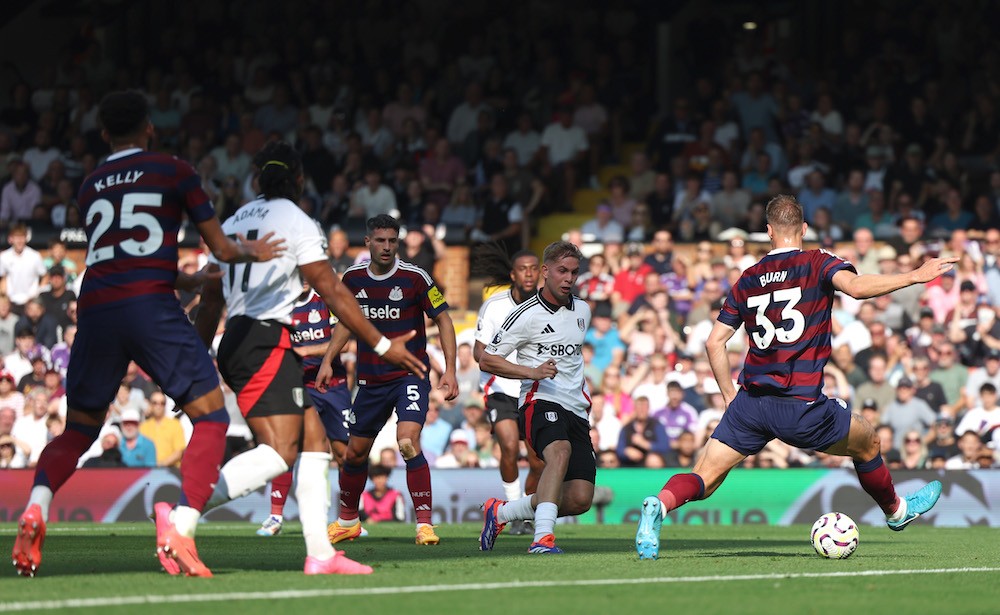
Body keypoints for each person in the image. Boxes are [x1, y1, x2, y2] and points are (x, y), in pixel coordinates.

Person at [11, 90, 284, 579]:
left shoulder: (90, 184)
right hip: (149, 307)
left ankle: (36, 507)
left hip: (95, 306)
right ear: (150, 127)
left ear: (102, 134)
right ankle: (180, 529)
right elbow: (219, 245)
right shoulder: (174, 170)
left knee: (77, 430)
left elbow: (121, 255)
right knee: (211, 418)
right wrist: (251, 252)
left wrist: (189, 281)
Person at [634, 194, 954, 560]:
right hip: (800, 404)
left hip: (750, 405)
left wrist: (728, 396)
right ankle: (897, 513)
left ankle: (659, 505)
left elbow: (714, 342)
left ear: (768, 232)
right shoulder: (817, 263)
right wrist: (916, 276)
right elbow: (858, 288)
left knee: (705, 478)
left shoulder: (748, 278)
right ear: (803, 228)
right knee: (868, 442)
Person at [196, 142, 425, 575]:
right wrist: (381, 345)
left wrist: (191, 363)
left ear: (257, 178)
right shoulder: (298, 221)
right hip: (265, 339)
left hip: (238, 339)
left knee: (315, 441)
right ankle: (185, 507)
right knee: (281, 451)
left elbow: (209, 302)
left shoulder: (231, 219)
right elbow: (334, 290)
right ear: (300, 180)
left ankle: (321, 553)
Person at [319, 213, 458, 547]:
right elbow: (346, 324)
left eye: (392, 241)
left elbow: (445, 320)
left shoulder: (415, 277)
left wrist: (450, 370)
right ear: (367, 243)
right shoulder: (351, 279)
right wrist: (328, 359)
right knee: (354, 454)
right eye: (379, 240)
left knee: (407, 442)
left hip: (410, 376)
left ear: (398, 242)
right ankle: (347, 522)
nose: (386, 247)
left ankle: (424, 524)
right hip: (369, 380)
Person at [479, 240, 595, 554]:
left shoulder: (582, 310)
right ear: (546, 272)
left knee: (580, 498)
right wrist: (531, 372)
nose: (569, 278)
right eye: (562, 271)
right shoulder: (525, 315)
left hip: (577, 409)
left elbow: (572, 359)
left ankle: (501, 512)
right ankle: (542, 538)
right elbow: (487, 359)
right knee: (559, 452)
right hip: (538, 400)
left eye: (574, 272)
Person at [255, 283, 355, 538]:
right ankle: (275, 516)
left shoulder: (325, 300)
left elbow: (343, 343)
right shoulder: (278, 304)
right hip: (298, 386)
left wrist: (307, 351)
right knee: (287, 447)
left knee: (345, 453)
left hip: (334, 386)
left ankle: (348, 519)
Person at [471, 243, 545, 535]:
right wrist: (511, 369)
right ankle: (513, 511)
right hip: (500, 386)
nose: (529, 274)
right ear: (513, 275)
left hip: (534, 389)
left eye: (533, 268)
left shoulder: (548, 306)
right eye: (522, 269)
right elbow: (479, 354)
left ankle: (520, 513)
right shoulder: (495, 306)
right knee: (510, 447)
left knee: (539, 461)